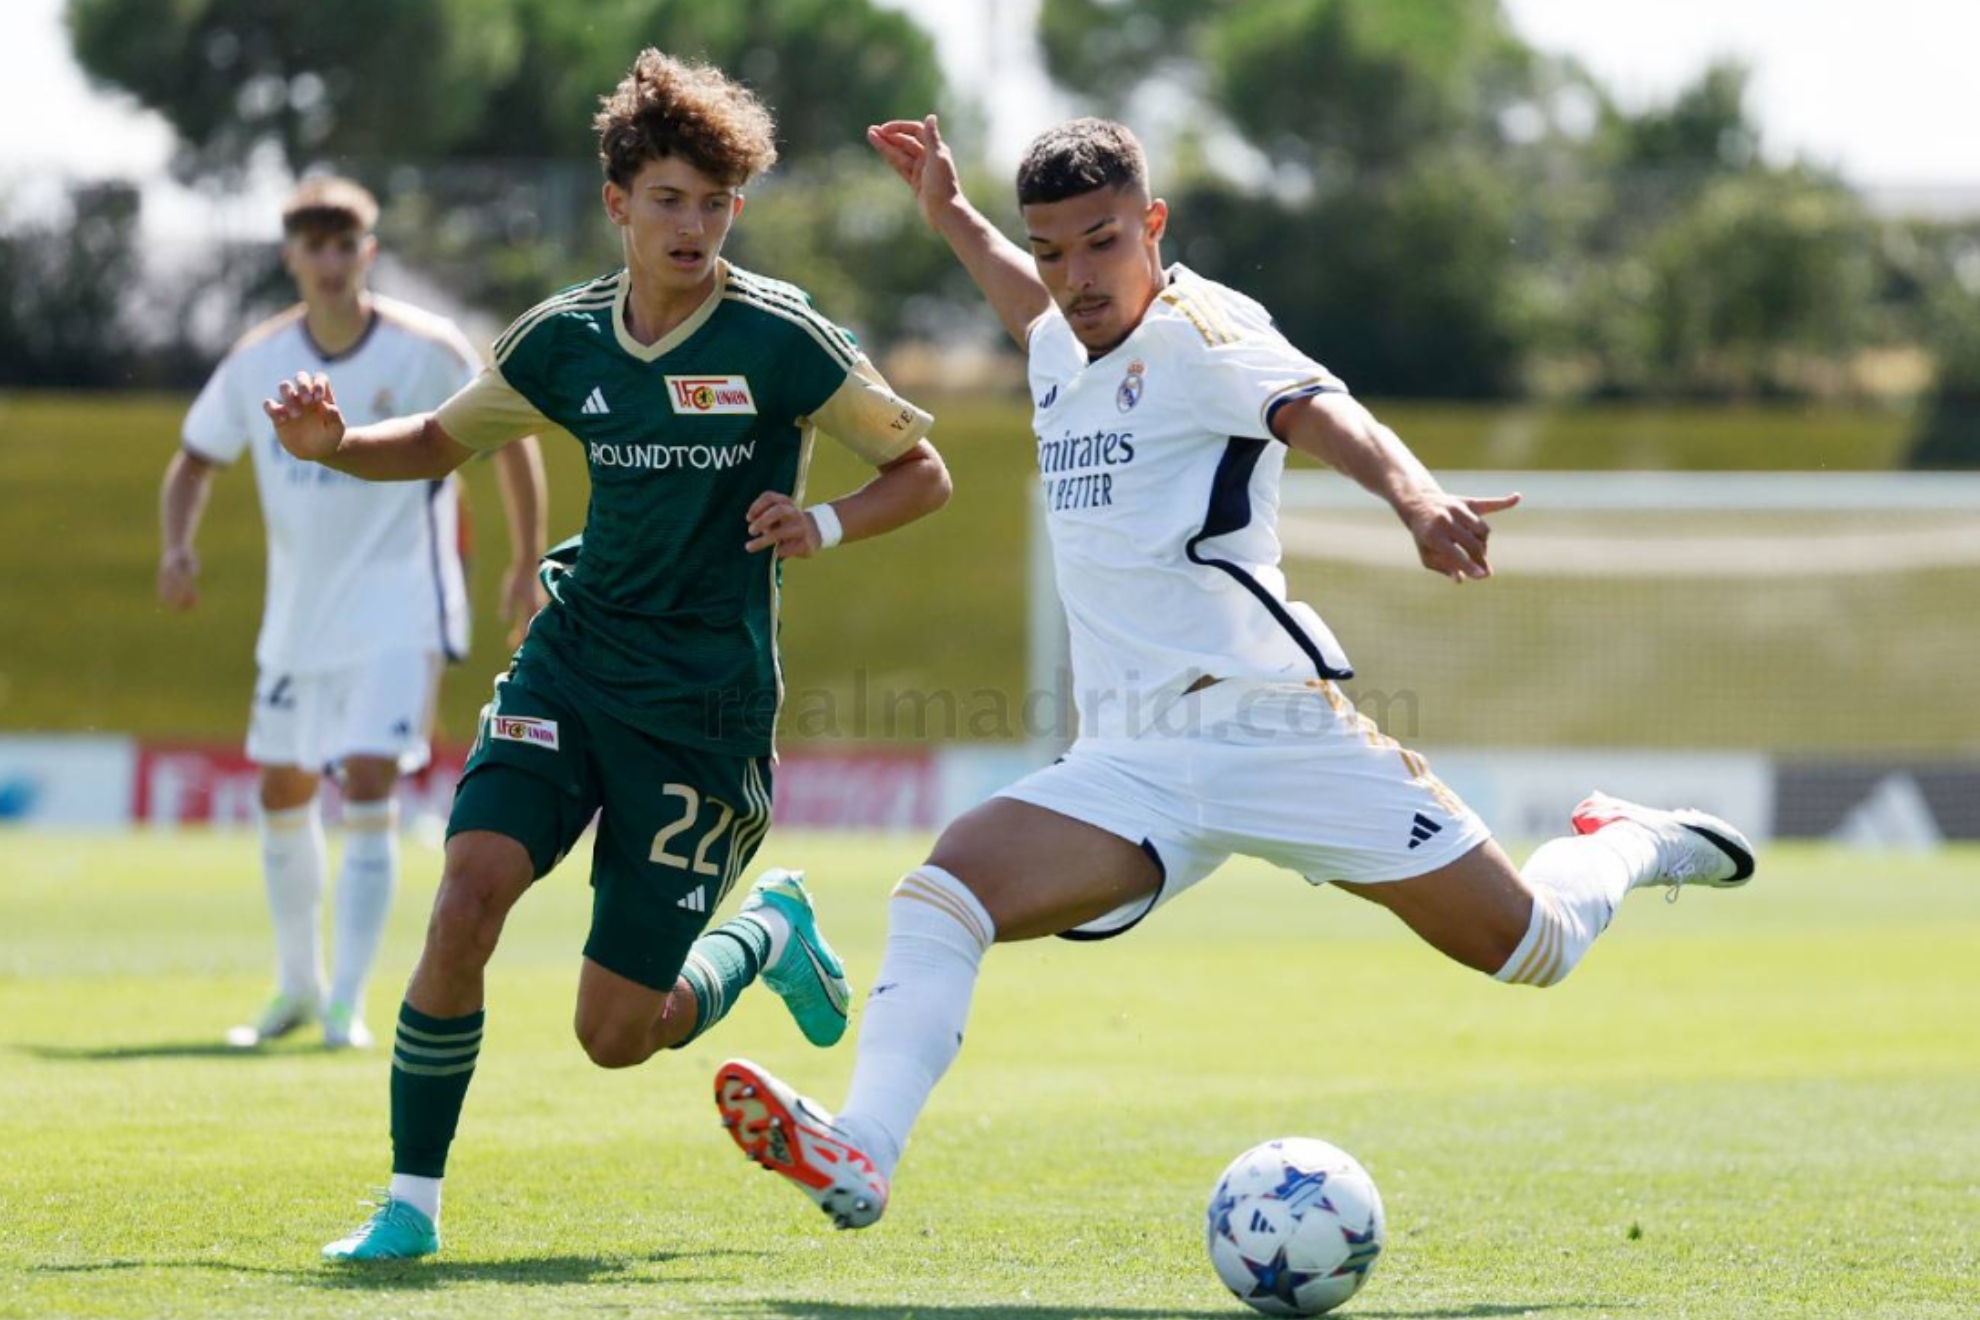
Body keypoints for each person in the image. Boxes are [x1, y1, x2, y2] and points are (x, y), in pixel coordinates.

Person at [711, 116, 1758, 1230]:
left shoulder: (1206, 331)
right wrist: (954, 218)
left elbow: (1324, 411)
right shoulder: (1061, 334)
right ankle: (864, 1150)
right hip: (1130, 759)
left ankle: (1633, 840)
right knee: (943, 890)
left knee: (1532, 949)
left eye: (1102, 242)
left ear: (1152, 225)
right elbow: (1029, 304)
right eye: (1053, 248)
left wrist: (1414, 499)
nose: (1075, 276)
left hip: (1266, 729)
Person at [262, 52, 952, 1262]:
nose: (694, 225)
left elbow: (923, 472)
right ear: (617, 204)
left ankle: (766, 935)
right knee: (467, 892)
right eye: (671, 198)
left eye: (716, 201)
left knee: (615, 1033)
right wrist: (331, 446)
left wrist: (822, 522)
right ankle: (409, 1209)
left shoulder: (781, 339)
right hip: (570, 665)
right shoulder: (563, 340)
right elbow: (434, 440)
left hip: (703, 708)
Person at [160, 175, 549, 1053]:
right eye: (314, 246)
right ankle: (296, 987)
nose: (331, 262)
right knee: (282, 788)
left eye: (346, 245)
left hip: (397, 611)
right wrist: (177, 546)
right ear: (292, 256)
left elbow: (511, 433)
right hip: (299, 621)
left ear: (367, 254)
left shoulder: (428, 347)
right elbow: (194, 459)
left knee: (370, 778)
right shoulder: (257, 357)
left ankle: (347, 1001)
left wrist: (524, 565)